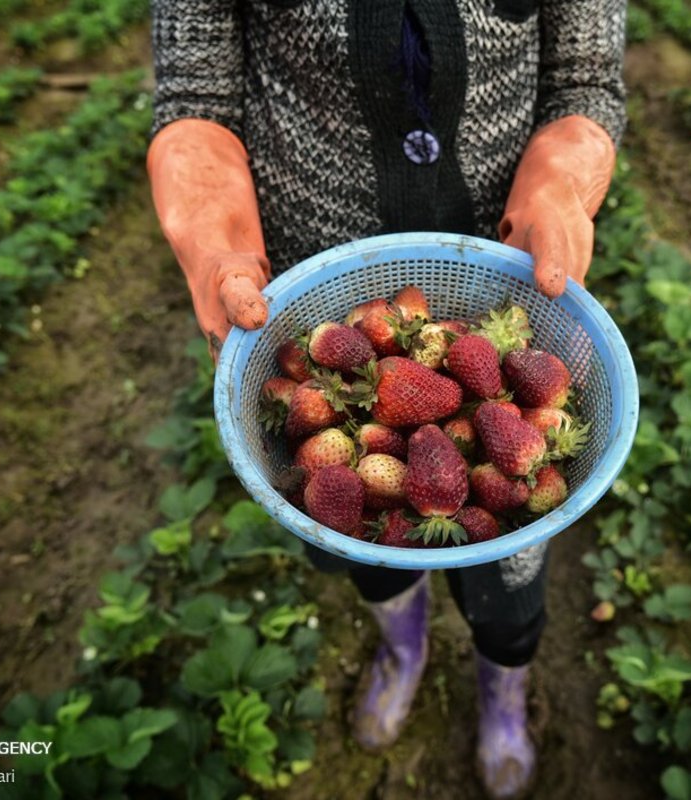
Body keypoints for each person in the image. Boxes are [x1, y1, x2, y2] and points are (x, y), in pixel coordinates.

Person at [146, 3, 625, 797]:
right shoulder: (349, 396)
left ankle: (504, 681)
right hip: (309, 309)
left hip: (506, 293)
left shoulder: (494, 405)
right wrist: (210, 223)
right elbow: (195, 94)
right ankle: (403, 646)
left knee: (513, 558)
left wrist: (561, 180)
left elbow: (585, 80)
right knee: (352, 532)